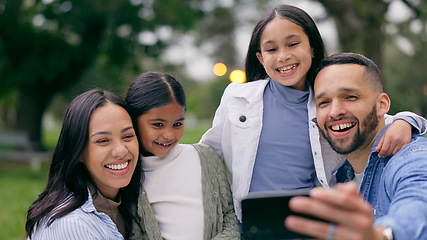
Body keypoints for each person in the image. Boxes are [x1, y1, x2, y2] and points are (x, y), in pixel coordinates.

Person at [200, 4, 427, 222]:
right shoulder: (239, 97)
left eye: (293, 44)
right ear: (260, 57)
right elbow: (208, 152)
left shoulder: (323, 104)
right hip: (248, 219)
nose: (283, 56)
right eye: (271, 49)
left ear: (312, 47)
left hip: (304, 220)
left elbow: (373, 118)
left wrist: (405, 121)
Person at [285, 52, 427, 240]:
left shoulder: (412, 157)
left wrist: (380, 236)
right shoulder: (342, 174)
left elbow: (418, 202)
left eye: (350, 97)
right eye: (324, 102)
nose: (335, 112)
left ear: (381, 105)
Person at [25, 89, 161, 239]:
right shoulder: (73, 226)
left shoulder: (131, 203)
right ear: (78, 151)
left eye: (128, 136)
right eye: (103, 141)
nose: (121, 151)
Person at [125, 72, 240, 240]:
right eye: (158, 125)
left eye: (177, 124)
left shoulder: (204, 157)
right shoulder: (129, 174)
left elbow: (229, 213)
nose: (169, 135)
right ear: (133, 121)